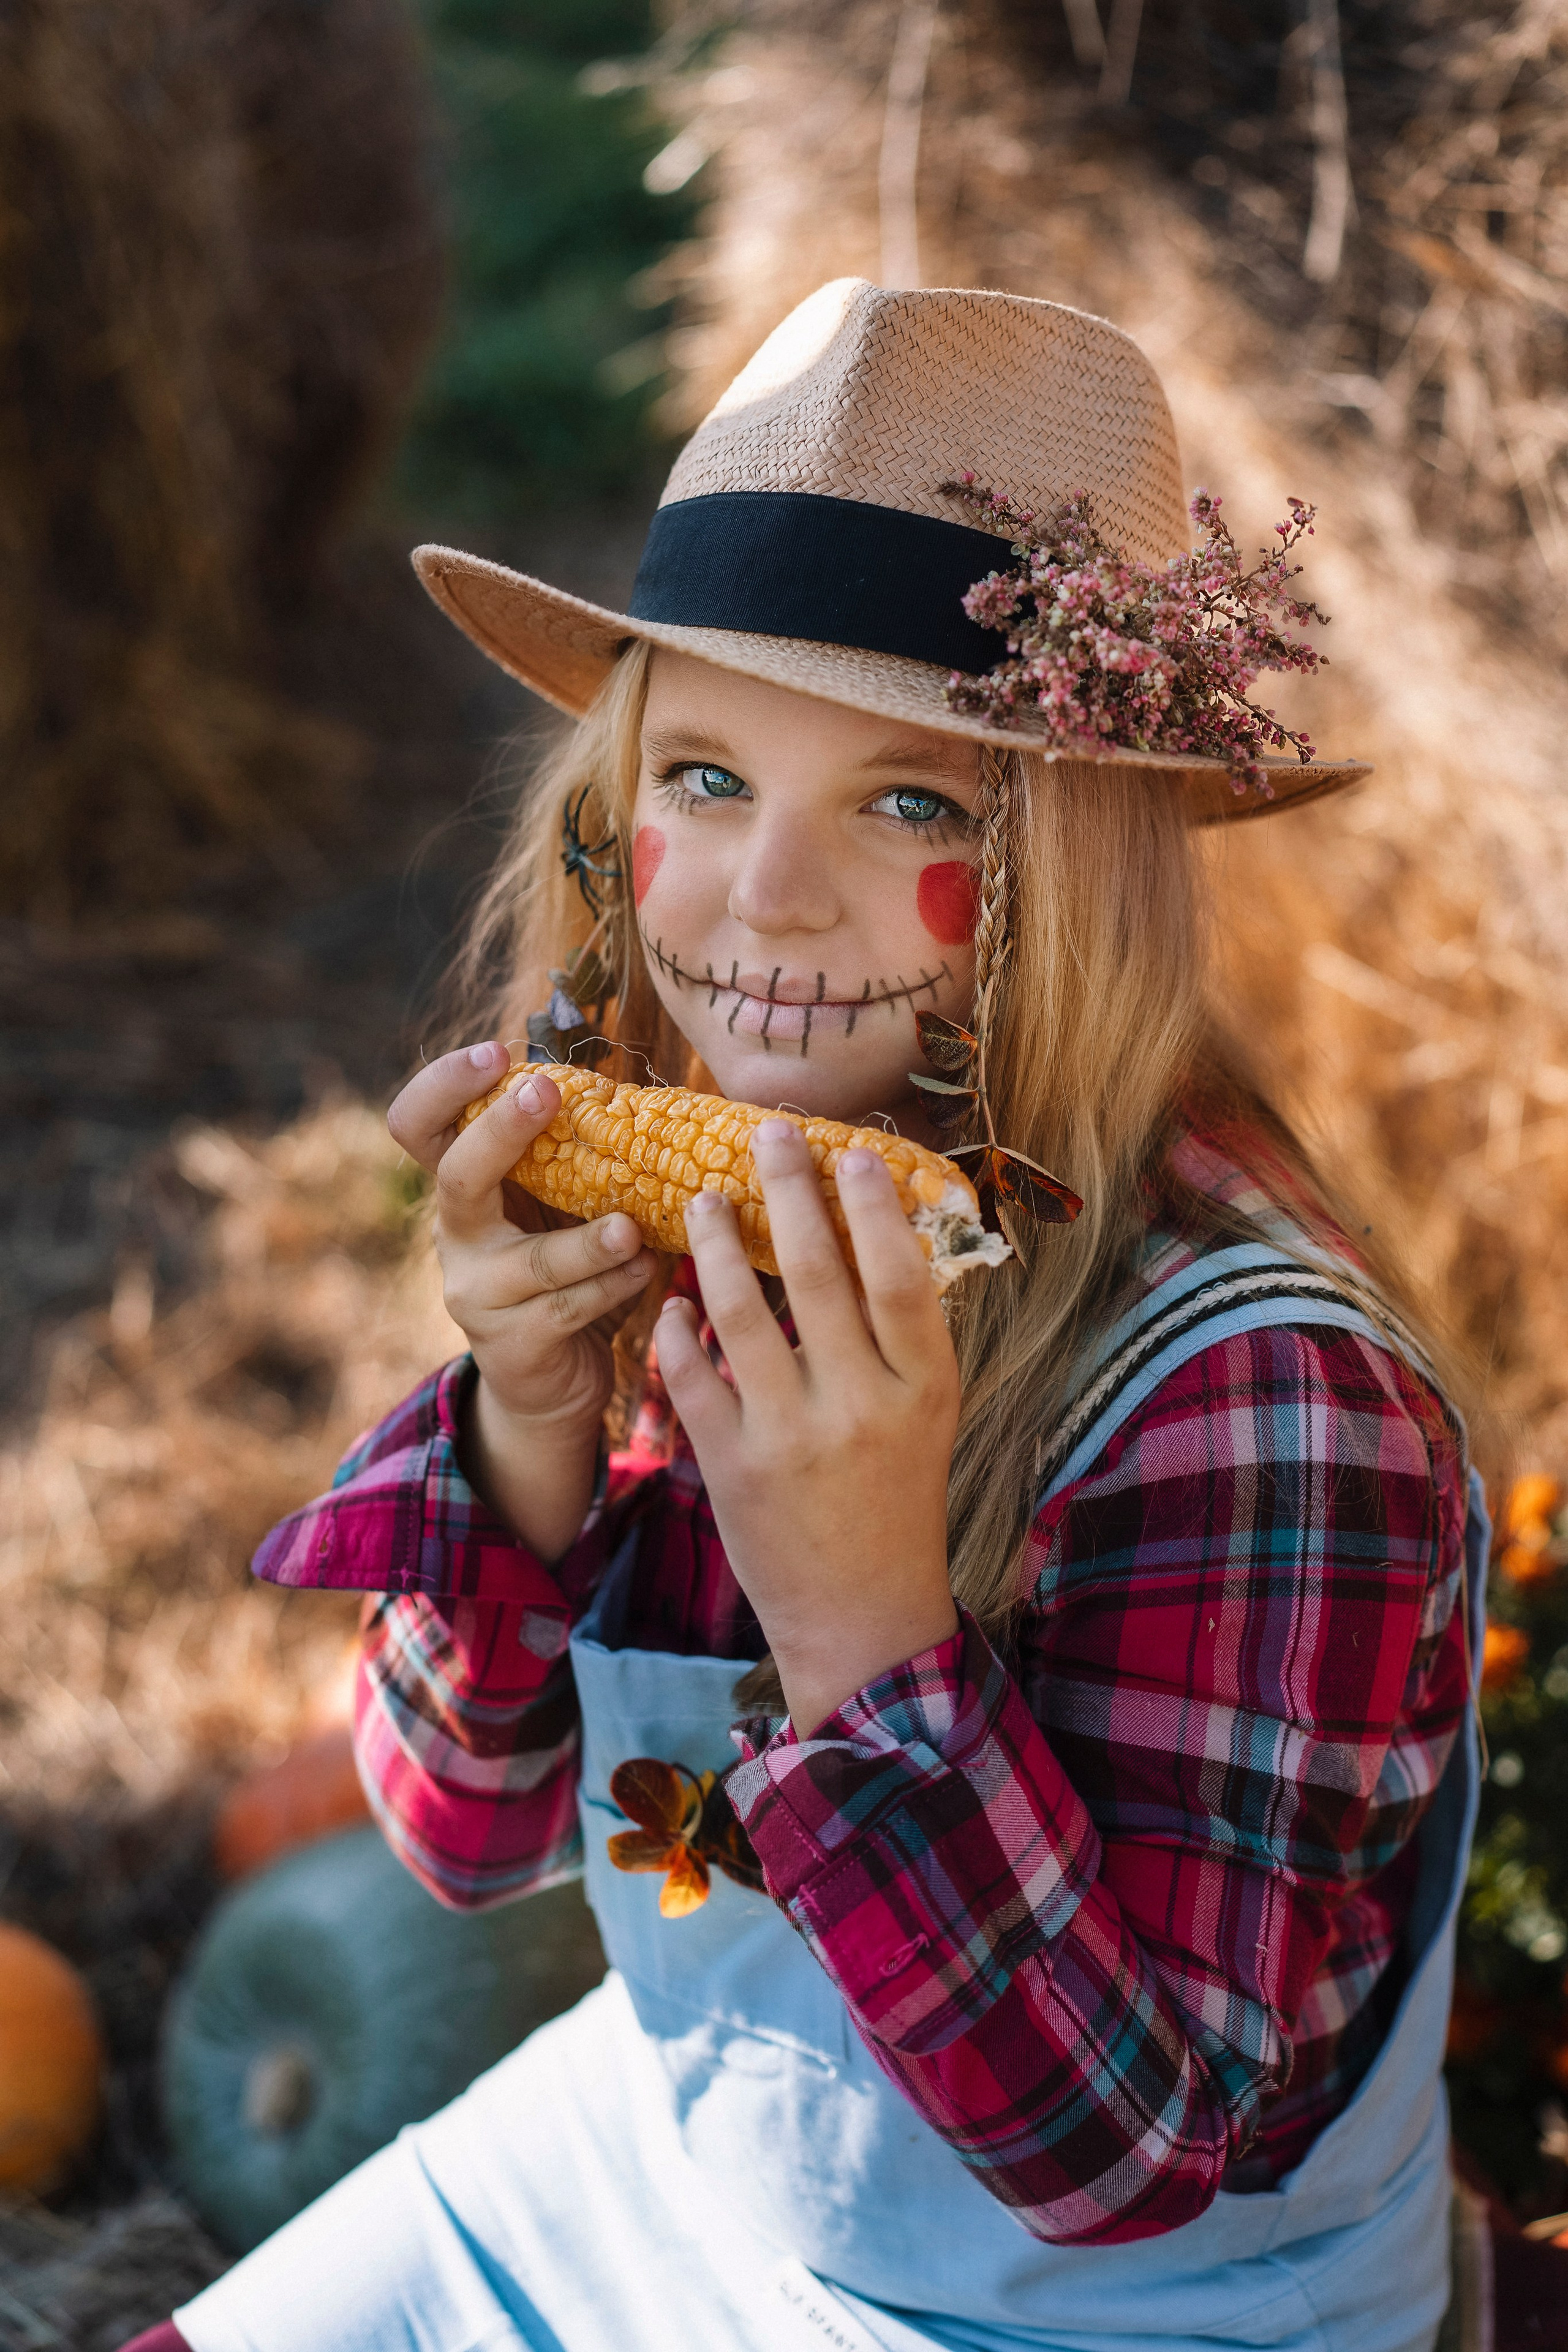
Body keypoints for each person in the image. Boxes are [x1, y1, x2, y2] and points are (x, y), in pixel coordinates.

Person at [134, 281, 1484, 2352]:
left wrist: (863, 1619)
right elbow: (458, 1843)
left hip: (1099, 2319)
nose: (766, 901)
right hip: (663, 2174)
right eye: (702, 779)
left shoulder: (1265, 1397)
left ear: (1085, 869)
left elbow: (1131, 2165)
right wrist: (525, 1416)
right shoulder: (699, 1186)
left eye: (914, 802)